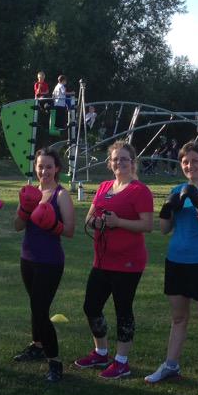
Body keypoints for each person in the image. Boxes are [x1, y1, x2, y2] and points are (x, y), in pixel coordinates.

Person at [146, 141, 198, 395]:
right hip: (176, 261)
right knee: (179, 318)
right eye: (185, 162)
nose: (190, 166)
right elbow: (163, 229)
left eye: (195, 161)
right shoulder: (176, 188)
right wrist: (167, 207)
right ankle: (171, 364)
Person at [74, 141, 154, 379]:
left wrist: (119, 222)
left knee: (123, 310)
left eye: (125, 159)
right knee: (91, 306)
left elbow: (147, 225)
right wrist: (96, 222)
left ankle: (121, 361)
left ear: (133, 163)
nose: (120, 163)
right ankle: (101, 352)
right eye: (116, 159)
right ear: (110, 163)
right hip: (102, 259)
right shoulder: (104, 187)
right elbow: (89, 217)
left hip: (128, 262)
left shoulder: (140, 190)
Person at [12, 149, 76, 383]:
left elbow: (69, 231)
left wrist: (52, 224)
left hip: (50, 261)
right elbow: (17, 226)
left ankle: (55, 361)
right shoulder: (32, 192)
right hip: (27, 258)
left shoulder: (61, 195)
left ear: (56, 168)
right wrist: (25, 210)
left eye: (48, 166)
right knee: (34, 306)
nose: (44, 171)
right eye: (40, 166)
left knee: (40, 310)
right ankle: (37, 346)